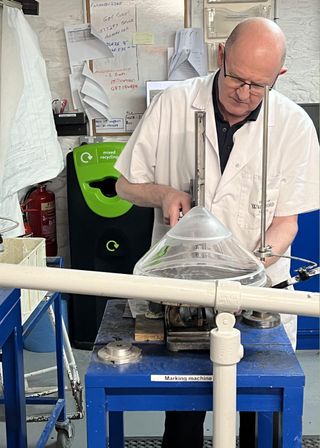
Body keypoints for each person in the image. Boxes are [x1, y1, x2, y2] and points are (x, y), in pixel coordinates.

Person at [115, 17, 319, 448]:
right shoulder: (174, 104)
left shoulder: (294, 126)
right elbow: (125, 185)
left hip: (259, 293)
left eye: (258, 86)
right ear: (221, 55)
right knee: (185, 408)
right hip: (181, 292)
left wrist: (250, 267)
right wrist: (164, 193)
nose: (244, 94)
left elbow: (287, 222)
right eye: (236, 79)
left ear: (278, 77)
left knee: (258, 419)